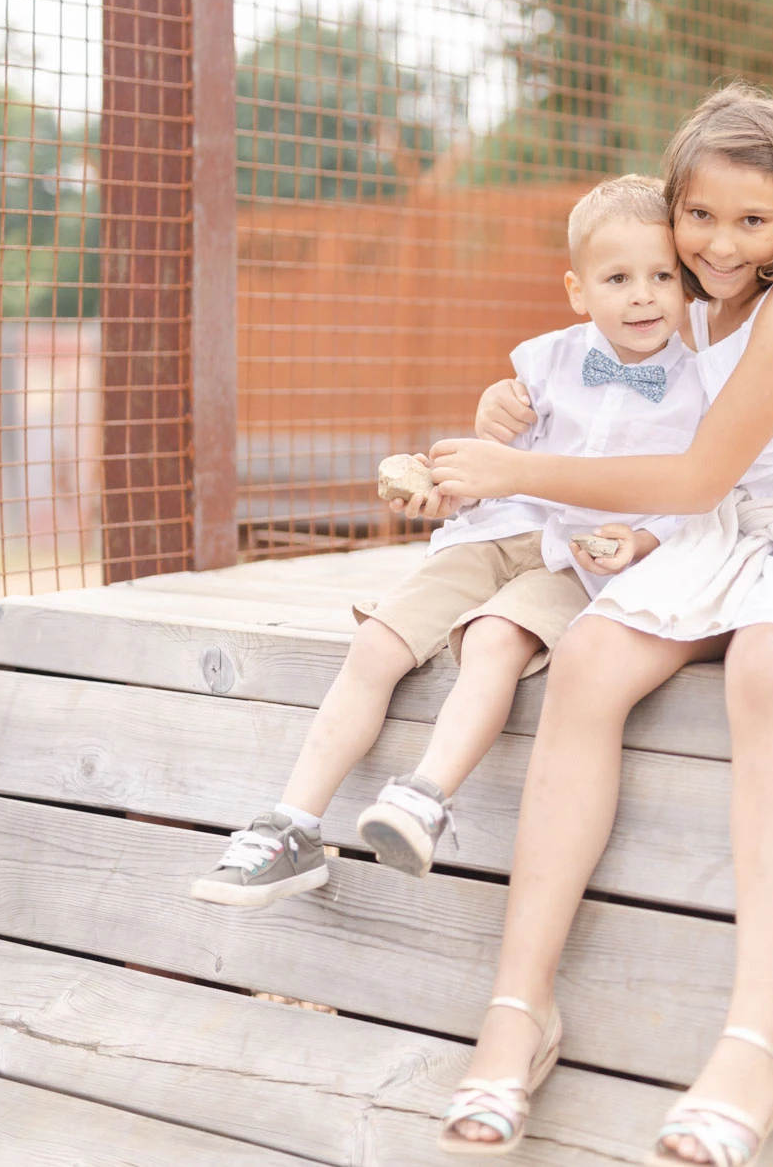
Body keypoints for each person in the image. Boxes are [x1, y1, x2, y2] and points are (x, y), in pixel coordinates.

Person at [430, 84, 773, 1163]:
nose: (717, 243)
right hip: (721, 525)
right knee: (590, 654)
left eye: (751, 221)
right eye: (698, 216)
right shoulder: (684, 296)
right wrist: (507, 401)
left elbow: (701, 465)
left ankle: (758, 1035)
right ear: (674, 207)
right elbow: (600, 376)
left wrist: (513, 469)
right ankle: (519, 1011)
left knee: (766, 662)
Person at [190, 174, 706, 907]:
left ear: (687, 286)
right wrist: (475, 438)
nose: (643, 295)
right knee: (377, 642)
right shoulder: (545, 361)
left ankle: (424, 796)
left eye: (662, 277)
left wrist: (645, 543)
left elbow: (696, 493)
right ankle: (291, 827)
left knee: (495, 637)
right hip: (502, 528)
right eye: (618, 278)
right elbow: (506, 451)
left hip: (581, 560)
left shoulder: (700, 385)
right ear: (577, 289)